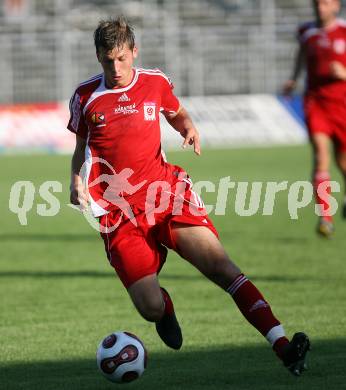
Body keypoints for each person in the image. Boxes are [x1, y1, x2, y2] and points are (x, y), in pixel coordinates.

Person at [68, 16, 310, 376]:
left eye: (121, 58)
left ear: (134, 52)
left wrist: (189, 127)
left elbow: (175, 111)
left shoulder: (154, 82)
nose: (115, 68)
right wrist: (76, 181)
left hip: (166, 194)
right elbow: (81, 146)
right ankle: (165, 310)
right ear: (98, 57)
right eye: (107, 60)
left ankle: (283, 345)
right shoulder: (86, 97)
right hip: (119, 213)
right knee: (149, 307)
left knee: (222, 268)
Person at [283, 0, 346, 238]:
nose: (320, 8)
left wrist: (343, 73)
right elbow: (301, 55)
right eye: (317, 3)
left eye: (325, 3)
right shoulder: (306, 32)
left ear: (336, 6)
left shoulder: (344, 31)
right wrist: (294, 79)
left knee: (343, 161)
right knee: (321, 154)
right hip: (315, 103)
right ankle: (325, 217)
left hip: (342, 105)